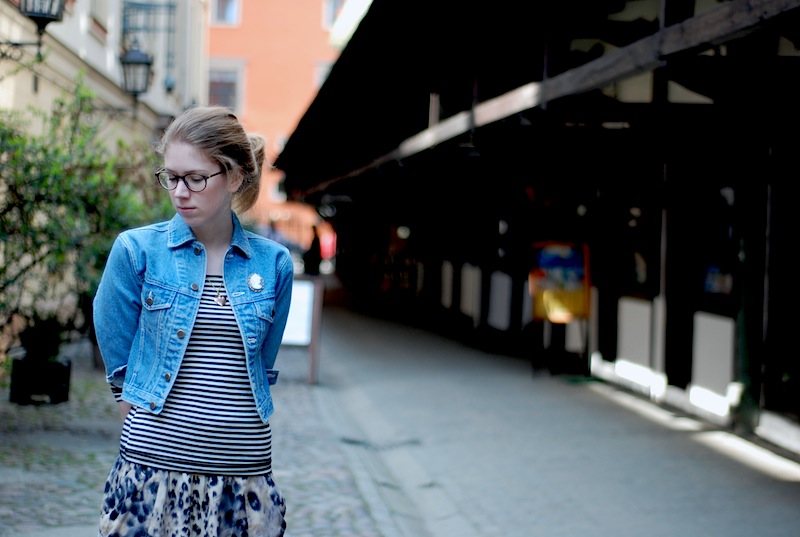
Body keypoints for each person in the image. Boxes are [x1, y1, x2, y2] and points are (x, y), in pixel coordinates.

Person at [92, 106, 293, 536]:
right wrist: (142, 418)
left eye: (196, 178)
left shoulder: (274, 263)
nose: (180, 192)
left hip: (243, 477)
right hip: (153, 473)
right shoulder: (136, 251)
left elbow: (261, 363)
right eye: (171, 177)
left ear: (234, 177)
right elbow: (116, 354)